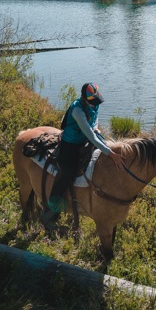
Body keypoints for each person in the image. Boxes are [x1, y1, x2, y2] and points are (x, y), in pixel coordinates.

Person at [41, 82, 125, 230]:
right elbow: (91, 138)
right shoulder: (77, 111)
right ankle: (49, 213)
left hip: (85, 138)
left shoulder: (94, 104)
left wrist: (96, 127)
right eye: (93, 101)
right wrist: (111, 154)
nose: (95, 104)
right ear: (85, 99)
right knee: (67, 173)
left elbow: (95, 120)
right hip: (71, 145)